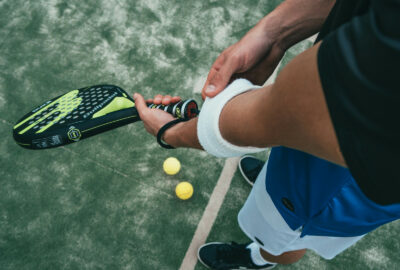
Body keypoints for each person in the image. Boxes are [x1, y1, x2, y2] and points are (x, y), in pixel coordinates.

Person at [133, 0, 400, 269]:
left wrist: (170, 132)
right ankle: (273, 180)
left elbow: (284, 115)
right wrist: (273, 33)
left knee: (287, 237)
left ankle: (259, 258)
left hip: (337, 186)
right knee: (286, 166)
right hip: (329, 135)